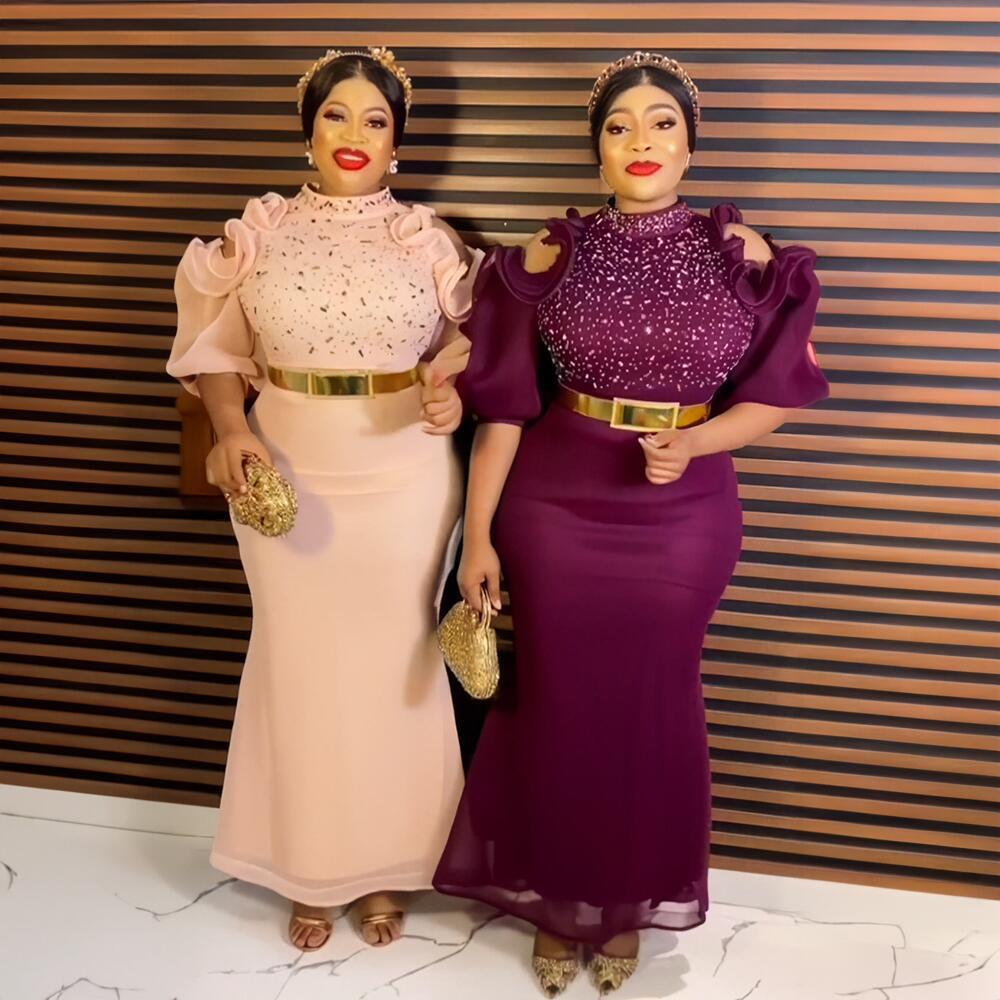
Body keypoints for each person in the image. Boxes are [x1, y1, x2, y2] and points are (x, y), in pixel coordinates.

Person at [432, 51, 828, 996]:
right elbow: (504, 408)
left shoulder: (747, 258)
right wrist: (478, 537)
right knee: (554, 701)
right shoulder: (548, 256)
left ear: (691, 144)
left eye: (661, 124)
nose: (640, 141)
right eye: (618, 127)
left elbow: (776, 397)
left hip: (684, 508)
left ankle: (628, 899)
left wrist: (696, 442)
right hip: (554, 501)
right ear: (597, 150)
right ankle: (556, 896)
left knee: (655, 704)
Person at [166, 46, 482, 952]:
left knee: (396, 664)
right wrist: (231, 428)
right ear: (307, 131)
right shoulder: (258, 233)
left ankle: (388, 865)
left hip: (407, 471)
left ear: (396, 143)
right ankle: (307, 864)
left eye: (375, 120)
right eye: (335, 114)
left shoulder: (427, 241)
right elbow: (218, 351)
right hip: (286, 462)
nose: (354, 133)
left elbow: (471, 343)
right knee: (297, 659)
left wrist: (451, 388)